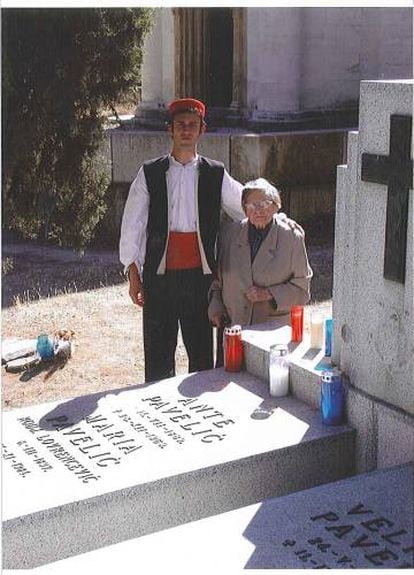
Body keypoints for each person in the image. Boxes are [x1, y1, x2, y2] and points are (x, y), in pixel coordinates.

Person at [120, 98, 302, 382]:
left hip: (200, 279)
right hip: (160, 277)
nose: (186, 131)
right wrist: (133, 273)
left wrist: (278, 217)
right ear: (170, 129)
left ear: (202, 130)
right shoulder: (150, 173)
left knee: (202, 357)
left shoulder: (214, 173)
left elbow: (246, 204)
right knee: (158, 356)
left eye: (192, 125)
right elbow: (133, 223)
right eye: (180, 125)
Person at [208, 178, 313, 331]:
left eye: (264, 203)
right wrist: (215, 307)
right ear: (244, 208)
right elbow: (217, 281)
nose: (258, 210)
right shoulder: (228, 234)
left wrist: (269, 293)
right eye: (252, 205)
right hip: (233, 327)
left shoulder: (291, 238)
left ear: (275, 206)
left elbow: (302, 289)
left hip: (272, 331)